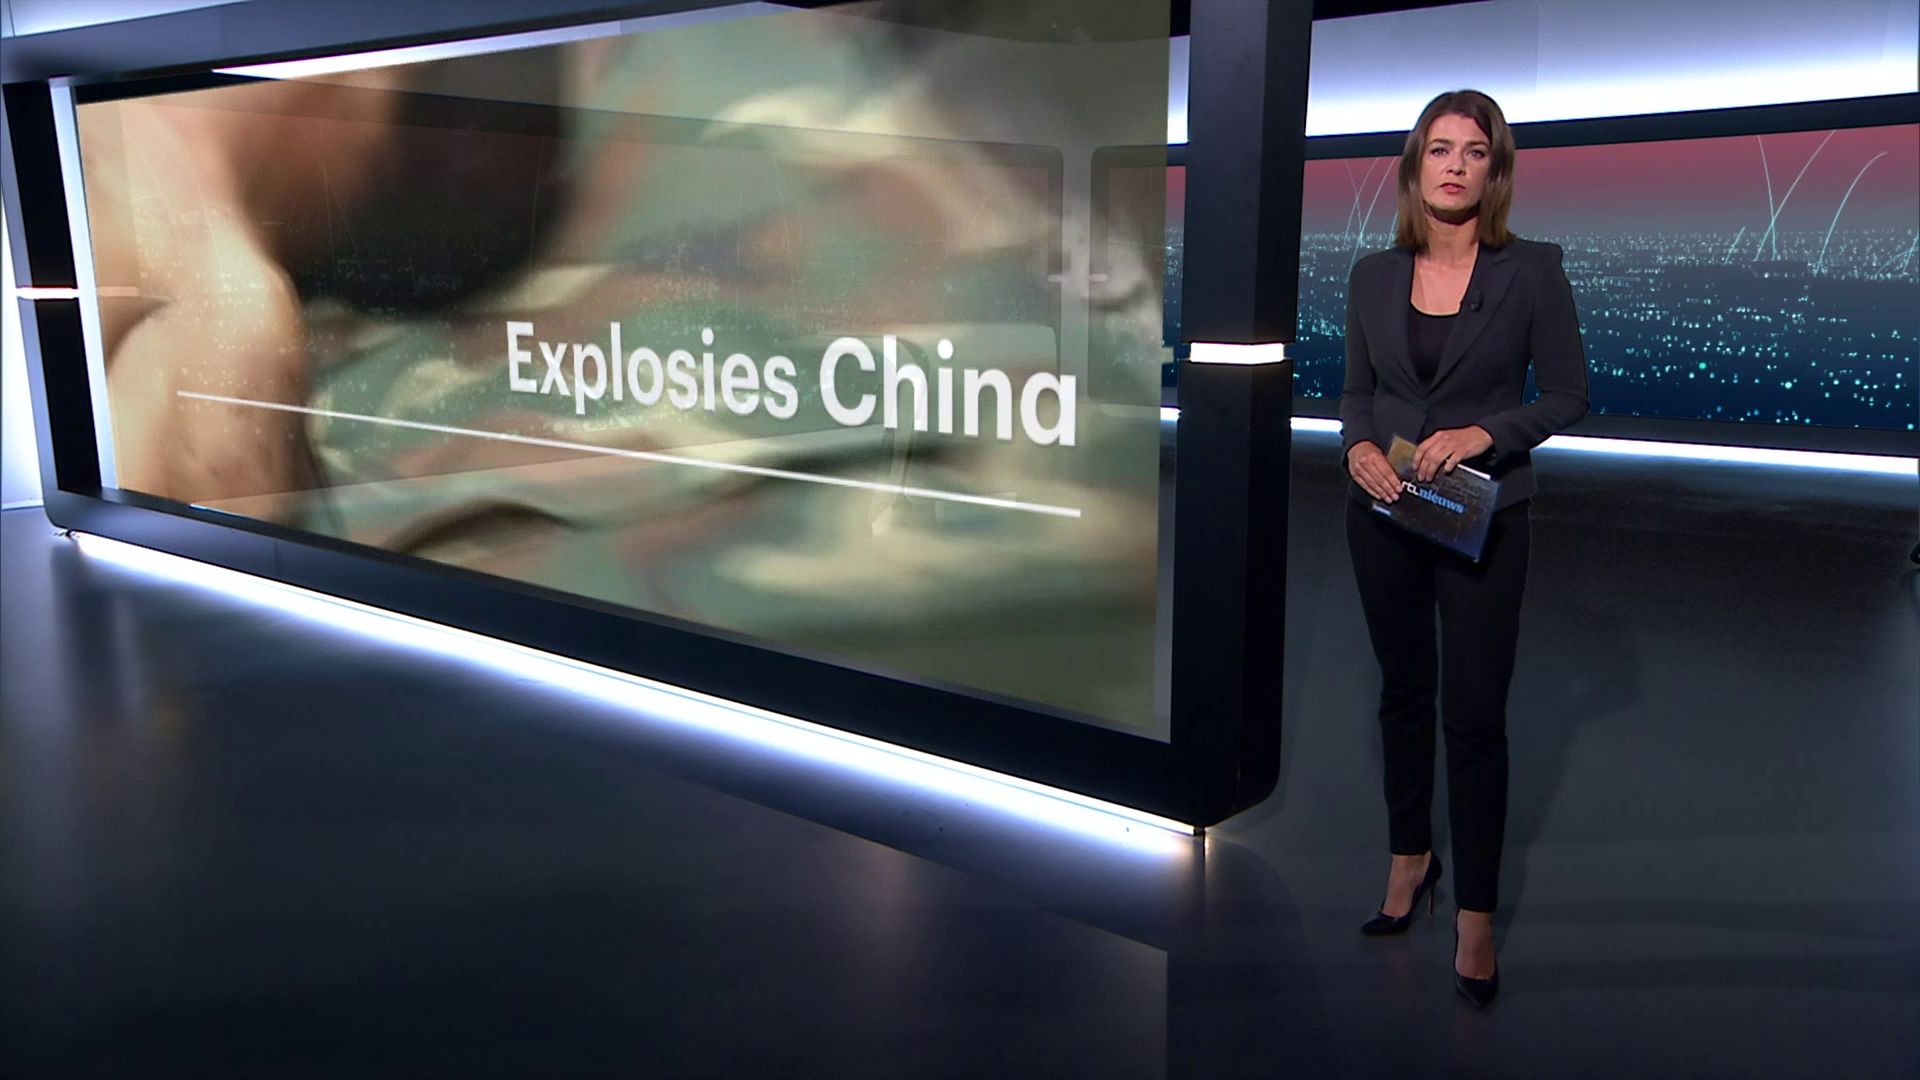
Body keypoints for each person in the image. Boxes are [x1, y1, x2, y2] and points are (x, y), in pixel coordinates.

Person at [1338, 89, 1590, 1008]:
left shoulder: (1532, 271)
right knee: (1403, 694)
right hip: (1385, 510)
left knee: (1475, 714)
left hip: (1483, 514)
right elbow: (1356, 393)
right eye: (1439, 149)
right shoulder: (1372, 274)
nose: (1454, 165)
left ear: (1495, 170)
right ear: (1415, 167)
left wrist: (1486, 434)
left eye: (1473, 151)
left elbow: (1567, 394)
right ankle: (1410, 859)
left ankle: (1476, 914)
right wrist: (1356, 448)